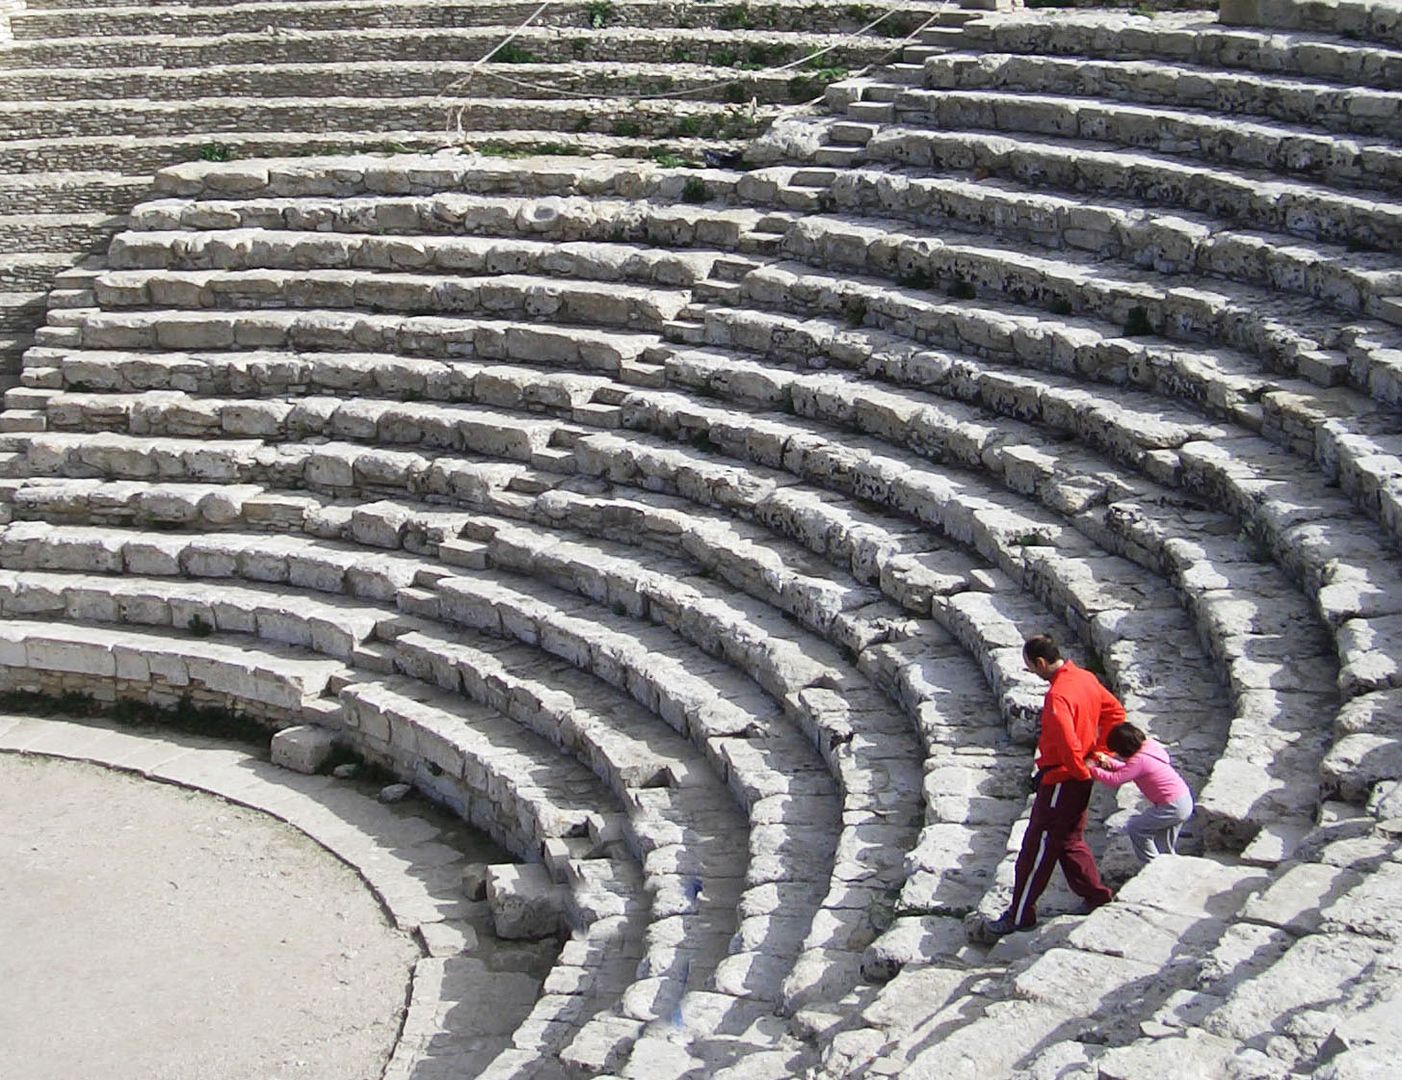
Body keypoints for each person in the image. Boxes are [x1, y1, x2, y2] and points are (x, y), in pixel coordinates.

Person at [978, 634, 1121, 938]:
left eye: (1031, 667)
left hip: (1062, 780)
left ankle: (1019, 915)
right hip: (1077, 775)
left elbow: (1068, 741)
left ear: (1041, 662)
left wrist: (1080, 769)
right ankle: (1096, 895)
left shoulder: (1057, 696)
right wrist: (1100, 752)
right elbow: (1115, 713)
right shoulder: (1085, 678)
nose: (1032, 672)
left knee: (1036, 848)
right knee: (1069, 840)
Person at [1087, 722, 1194, 864]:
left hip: (1172, 806)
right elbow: (1130, 769)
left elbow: (1116, 779)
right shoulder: (1148, 748)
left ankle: (1153, 866)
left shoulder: (1139, 760)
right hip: (1183, 800)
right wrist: (1109, 763)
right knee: (1164, 846)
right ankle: (1167, 867)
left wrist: (1092, 769)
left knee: (1136, 828)